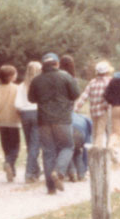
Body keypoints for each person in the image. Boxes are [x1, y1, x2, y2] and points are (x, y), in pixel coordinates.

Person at [27, 52, 81, 194]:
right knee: (67, 146)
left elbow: (31, 99)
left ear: (43, 65)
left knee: (48, 152)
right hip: (62, 120)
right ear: (57, 63)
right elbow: (76, 94)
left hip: (43, 120)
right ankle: (59, 171)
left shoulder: (36, 80)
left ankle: (51, 188)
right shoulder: (65, 76)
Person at [0, 65, 22, 181]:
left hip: (2, 123)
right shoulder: (17, 89)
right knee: (15, 147)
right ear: (11, 77)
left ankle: (11, 169)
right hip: (14, 122)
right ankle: (9, 163)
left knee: (6, 147)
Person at [60, 55, 91, 181]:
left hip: (62, 115)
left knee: (65, 146)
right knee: (76, 149)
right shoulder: (73, 80)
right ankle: (81, 172)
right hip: (72, 114)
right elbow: (75, 96)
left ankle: (71, 170)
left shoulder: (59, 78)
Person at [13, 61, 44, 182]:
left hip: (25, 114)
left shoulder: (22, 86)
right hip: (37, 113)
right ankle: (29, 173)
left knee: (30, 144)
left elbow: (17, 104)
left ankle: (36, 170)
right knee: (35, 145)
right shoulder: (41, 85)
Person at [76, 61, 112, 150]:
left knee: (95, 132)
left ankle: (94, 150)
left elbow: (84, 96)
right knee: (102, 132)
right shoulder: (109, 81)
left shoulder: (92, 82)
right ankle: (99, 152)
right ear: (107, 72)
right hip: (104, 110)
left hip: (93, 111)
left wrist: (76, 108)